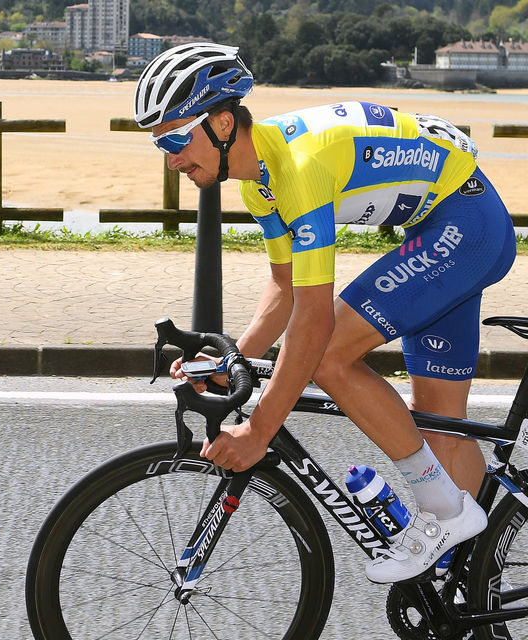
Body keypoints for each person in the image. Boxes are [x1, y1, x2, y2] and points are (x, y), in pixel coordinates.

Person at [134, 42, 516, 583]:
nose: (172, 159)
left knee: (330, 355)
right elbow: (284, 287)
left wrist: (260, 430)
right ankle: (473, 590)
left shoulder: (298, 169)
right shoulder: (261, 181)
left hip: (466, 229)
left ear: (222, 124)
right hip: (451, 225)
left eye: (175, 139)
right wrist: (233, 361)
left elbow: (312, 323)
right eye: (161, 146)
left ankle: (446, 513)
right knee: (442, 428)